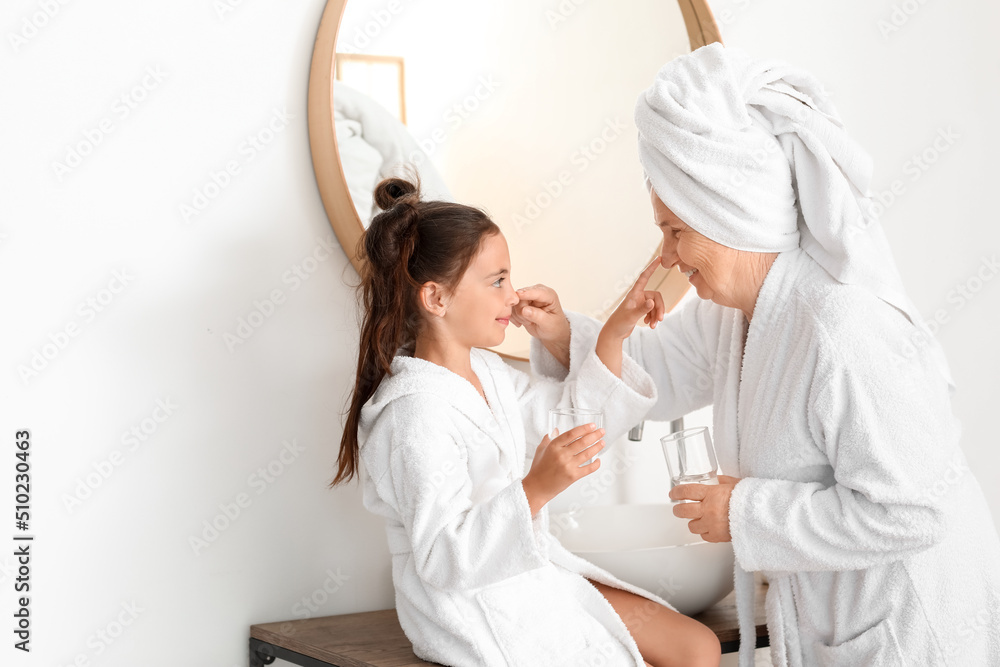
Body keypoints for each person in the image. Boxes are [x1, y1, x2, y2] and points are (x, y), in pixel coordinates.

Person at [514, 42, 1000, 666]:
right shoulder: (734, 315)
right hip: (847, 628)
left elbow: (913, 510)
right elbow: (657, 374)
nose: (664, 257)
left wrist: (744, 511)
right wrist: (562, 333)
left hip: (916, 630)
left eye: (675, 231)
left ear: (728, 215)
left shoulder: (845, 329)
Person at [333, 176, 722, 667]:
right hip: (468, 604)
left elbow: (569, 424)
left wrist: (614, 333)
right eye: (496, 280)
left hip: (528, 572)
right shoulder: (414, 416)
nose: (511, 296)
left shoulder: (488, 376)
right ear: (436, 299)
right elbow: (442, 559)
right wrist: (536, 488)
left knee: (699, 646)